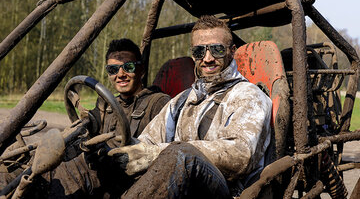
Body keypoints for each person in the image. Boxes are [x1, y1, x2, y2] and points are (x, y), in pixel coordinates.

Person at [108, 15, 273, 198]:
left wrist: (159, 153)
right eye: (199, 51)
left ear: (232, 51)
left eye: (217, 50)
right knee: (99, 161)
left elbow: (241, 155)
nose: (208, 58)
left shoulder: (249, 95)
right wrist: (113, 153)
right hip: (182, 186)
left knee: (182, 153)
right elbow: (147, 143)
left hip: (230, 191)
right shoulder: (183, 99)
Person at [0, 38, 170, 198]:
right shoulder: (106, 103)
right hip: (92, 169)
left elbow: (160, 152)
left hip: (121, 181)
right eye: (113, 70)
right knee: (22, 174)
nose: (121, 74)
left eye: (129, 67)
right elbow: (88, 125)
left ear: (142, 70)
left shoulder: (158, 103)